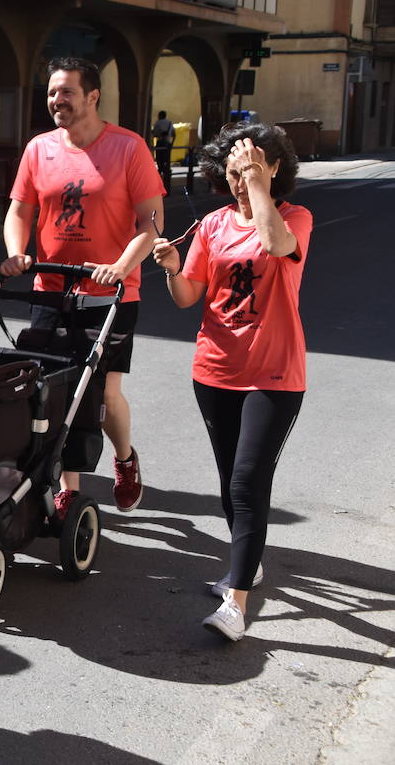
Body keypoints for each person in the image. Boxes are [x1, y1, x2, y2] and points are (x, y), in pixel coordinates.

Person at [151, 123, 309, 642]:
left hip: (274, 374)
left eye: (250, 170)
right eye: (233, 172)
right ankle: (250, 562)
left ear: (275, 168)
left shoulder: (295, 218)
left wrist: (259, 184)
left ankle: (236, 603)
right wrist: (174, 268)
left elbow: (273, 241)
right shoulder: (214, 224)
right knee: (229, 484)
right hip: (215, 369)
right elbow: (187, 296)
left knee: (246, 482)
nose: (239, 181)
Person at [0, 57, 163, 518]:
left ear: (92, 96)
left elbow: (151, 222)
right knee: (55, 389)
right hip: (51, 286)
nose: (57, 100)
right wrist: (16, 250)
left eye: (66, 91)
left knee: (102, 394)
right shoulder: (39, 149)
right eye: (52, 92)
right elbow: (19, 211)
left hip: (111, 292)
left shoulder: (129, 148)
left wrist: (120, 265)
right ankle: (68, 486)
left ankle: (125, 459)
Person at [152, 110, 177, 195]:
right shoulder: (170, 123)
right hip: (167, 145)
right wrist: (172, 144)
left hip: (160, 144)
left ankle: (158, 187)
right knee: (167, 166)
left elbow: (154, 134)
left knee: (160, 164)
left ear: (159, 116)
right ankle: (167, 188)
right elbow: (174, 134)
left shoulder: (157, 123)